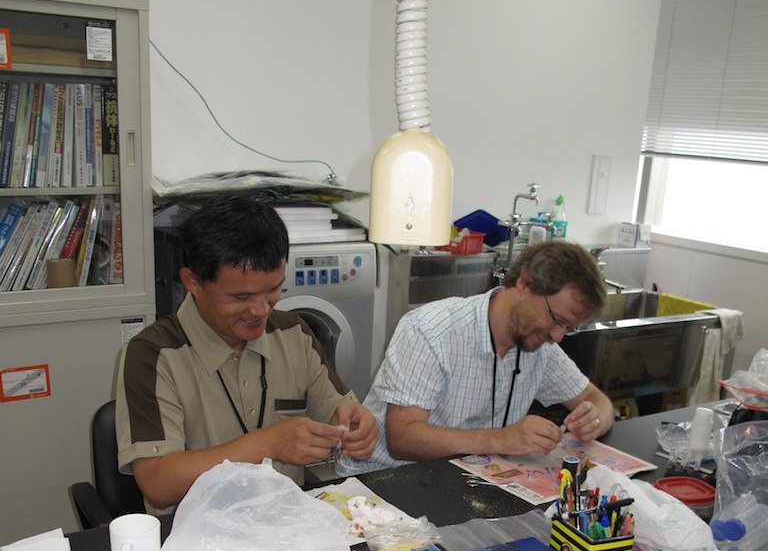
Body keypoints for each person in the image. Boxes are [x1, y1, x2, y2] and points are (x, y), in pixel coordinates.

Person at [116, 195, 378, 513]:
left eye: (273, 290)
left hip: (286, 528)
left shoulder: (294, 333)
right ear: (192, 282)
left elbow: (339, 410)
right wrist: (265, 444)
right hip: (196, 540)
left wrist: (356, 425)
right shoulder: (153, 356)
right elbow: (158, 483)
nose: (259, 310)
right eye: (240, 296)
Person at [337, 240, 614, 475]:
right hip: (387, 481)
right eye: (556, 320)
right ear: (525, 284)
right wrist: (502, 440)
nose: (558, 336)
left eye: (568, 327)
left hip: (464, 478)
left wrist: (594, 420)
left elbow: (598, 401)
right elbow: (403, 440)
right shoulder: (431, 330)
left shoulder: (539, 345)